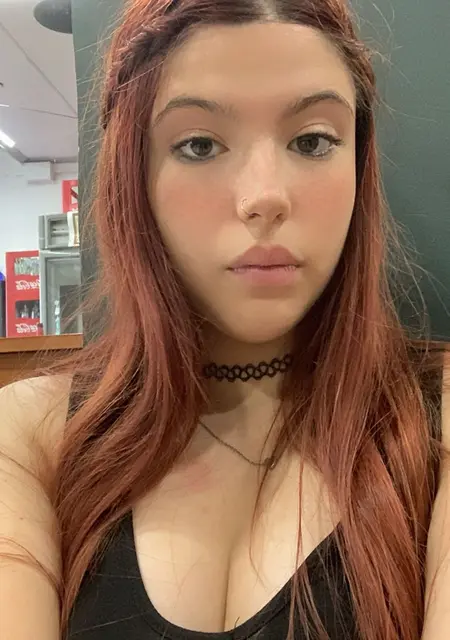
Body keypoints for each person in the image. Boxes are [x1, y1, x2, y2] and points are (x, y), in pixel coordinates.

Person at [1, 1, 449, 639]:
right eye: (199, 144)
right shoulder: (31, 438)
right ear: (135, 177)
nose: (264, 196)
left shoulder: (435, 428)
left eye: (312, 141)